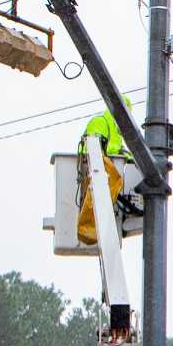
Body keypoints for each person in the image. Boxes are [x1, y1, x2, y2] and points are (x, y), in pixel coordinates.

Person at [75, 98, 139, 246]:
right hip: (93, 176)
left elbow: (119, 152)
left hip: (106, 179)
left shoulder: (116, 134)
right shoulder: (100, 122)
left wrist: (136, 161)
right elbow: (92, 150)